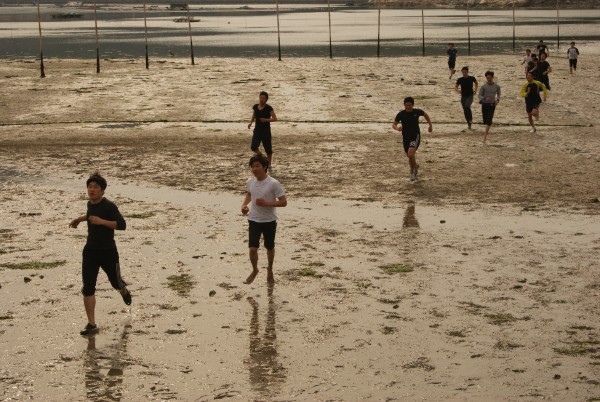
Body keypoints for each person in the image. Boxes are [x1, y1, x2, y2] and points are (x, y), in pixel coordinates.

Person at [69, 173, 131, 336]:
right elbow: (90, 215)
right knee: (88, 287)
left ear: (102, 191)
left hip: (108, 252)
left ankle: (123, 290)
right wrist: (79, 219)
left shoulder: (109, 206)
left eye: (96, 187)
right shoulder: (90, 204)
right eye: (90, 186)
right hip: (90, 252)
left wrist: (101, 222)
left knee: (115, 282)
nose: (92, 189)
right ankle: (91, 324)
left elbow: (122, 225)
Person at [241, 153, 287, 285]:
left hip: (269, 220)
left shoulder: (273, 183)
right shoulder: (250, 182)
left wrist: (267, 204)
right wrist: (244, 205)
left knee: (269, 247)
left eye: (257, 166)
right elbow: (249, 193)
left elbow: (283, 202)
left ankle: (270, 269)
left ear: (264, 167)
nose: (254, 169)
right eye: (252, 166)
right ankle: (255, 270)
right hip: (254, 219)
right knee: (252, 248)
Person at [391, 96, 433, 181]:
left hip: (415, 136)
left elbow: (425, 115)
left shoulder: (417, 112)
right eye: (406, 105)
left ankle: (413, 172)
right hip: (405, 137)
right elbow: (394, 124)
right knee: (409, 156)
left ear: (412, 105)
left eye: (409, 105)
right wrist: (397, 128)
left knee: (410, 154)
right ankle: (415, 166)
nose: (408, 107)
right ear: (404, 105)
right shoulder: (401, 114)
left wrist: (430, 125)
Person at [248, 91, 277, 169]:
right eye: (260, 97)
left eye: (263, 98)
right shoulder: (255, 106)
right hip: (257, 130)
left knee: (268, 148)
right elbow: (254, 115)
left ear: (266, 100)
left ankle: (269, 164)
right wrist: (250, 122)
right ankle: (262, 155)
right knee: (253, 146)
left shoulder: (269, 108)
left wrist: (266, 120)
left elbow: (275, 118)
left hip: (266, 131)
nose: (261, 99)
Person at [478, 71, 501, 144]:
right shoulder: (483, 86)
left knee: (488, 121)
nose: (488, 79)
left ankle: (484, 137)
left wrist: (497, 100)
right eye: (487, 78)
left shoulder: (496, 86)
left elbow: (499, 94)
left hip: (492, 104)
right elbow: (479, 95)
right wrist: (484, 98)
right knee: (485, 121)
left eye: (490, 78)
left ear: (492, 77)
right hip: (484, 105)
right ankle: (489, 123)